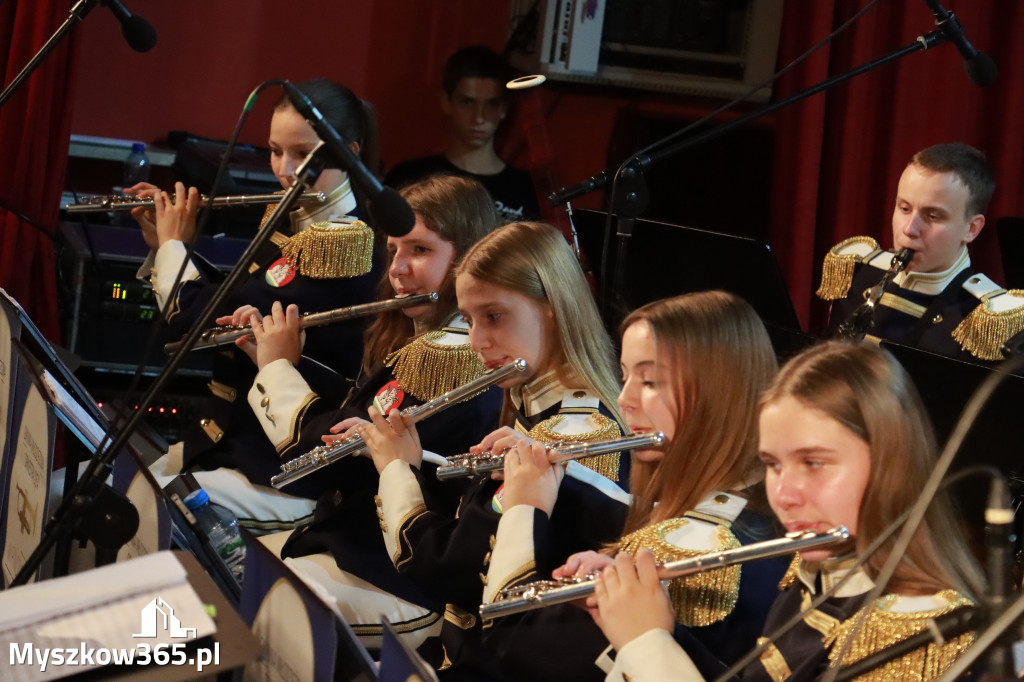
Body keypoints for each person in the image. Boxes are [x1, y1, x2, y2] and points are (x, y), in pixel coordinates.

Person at [592, 342, 983, 682]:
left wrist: (649, 648)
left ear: (891, 465)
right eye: (773, 465)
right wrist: (646, 624)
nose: (784, 495)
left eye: (813, 463)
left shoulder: (921, 633)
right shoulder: (819, 570)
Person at [357, 221, 630, 674]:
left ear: (552, 309)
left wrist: (395, 472)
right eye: (468, 319)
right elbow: (480, 515)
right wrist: (419, 458)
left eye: (494, 316)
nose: (477, 341)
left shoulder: (575, 434)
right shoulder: (535, 405)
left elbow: (451, 568)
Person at [245, 174, 503, 650]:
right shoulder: (422, 335)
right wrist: (279, 358)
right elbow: (356, 411)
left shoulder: (455, 356)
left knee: (245, 609)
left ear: (468, 257)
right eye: (394, 250)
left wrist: (278, 369)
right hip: (350, 545)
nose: (399, 269)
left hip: (397, 577)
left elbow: (319, 465)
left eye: (420, 251)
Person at [476, 291, 786, 681]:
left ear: (719, 392)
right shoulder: (739, 508)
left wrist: (525, 507)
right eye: (625, 377)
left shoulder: (701, 550)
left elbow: (509, 633)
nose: (624, 400)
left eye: (651, 381)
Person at [134, 78, 380, 530]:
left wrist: (175, 247)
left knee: (129, 514)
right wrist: (166, 245)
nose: (284, 170)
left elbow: (200, 325)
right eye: (274, 151)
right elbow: (238, 298)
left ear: (349, 152)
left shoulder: (342, 242)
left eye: (302, 155)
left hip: (273, 464)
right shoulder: (296, 216)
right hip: (225, 441)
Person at [818, 142, 1024, 363]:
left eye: (933, 216)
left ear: (971, 229)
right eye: (904, 208)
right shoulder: (858, 270)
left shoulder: (991, 318)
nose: (909, 229)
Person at [384, 45, 540, 222]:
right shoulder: (410, 177)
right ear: (446, 102)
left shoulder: (525, 190)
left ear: (504, 108)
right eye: (467, 102)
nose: (479, 117)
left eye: (491, 104)